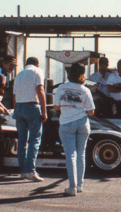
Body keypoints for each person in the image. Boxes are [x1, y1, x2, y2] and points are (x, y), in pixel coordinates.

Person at [53, 62, 95, 196]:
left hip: (66, 123)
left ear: (69, 74)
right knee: (81, 154)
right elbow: (91, 112)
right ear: (82, 75)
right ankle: (80, 185)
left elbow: (55, 107)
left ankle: (72, 187)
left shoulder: (62, 88)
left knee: (71, 155)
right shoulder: (85, 90)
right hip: (83, 123)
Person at [13, 57, 47, 182]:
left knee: (22, 140)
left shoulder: (19, 74)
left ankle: (23, 170)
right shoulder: (37, 71)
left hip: (19, 107)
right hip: (32, 107)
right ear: (37, 64)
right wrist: (44, 111)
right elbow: (40, 90)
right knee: (34, 139)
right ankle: (30, 170)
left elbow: (14, 95)